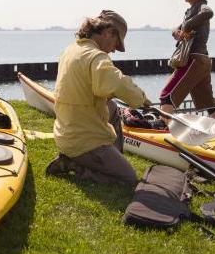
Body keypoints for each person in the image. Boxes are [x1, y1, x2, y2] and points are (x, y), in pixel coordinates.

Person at [46, 10, 152, 184]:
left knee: (113, 109)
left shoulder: (71, 49)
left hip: (66, 131)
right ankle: (76, 166)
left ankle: (110, 157)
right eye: (116, 44)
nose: (114, 51)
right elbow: (119, 83)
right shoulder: (96, 56)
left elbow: (92, 86)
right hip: (83, 140)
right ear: (108, 32)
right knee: (128, 178)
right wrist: (141, 99)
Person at [159, 0, 215, 121]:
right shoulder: (191, 11)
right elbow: (178, 29)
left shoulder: (202, 6)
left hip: (194, 59)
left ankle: (163, 129)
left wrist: (187, 27)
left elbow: (209, 13)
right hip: (202, 60)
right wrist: (177, 31)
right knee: (209, 104)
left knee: (167, 95)